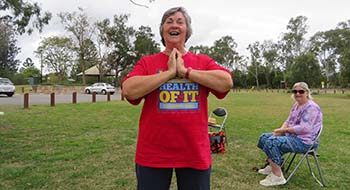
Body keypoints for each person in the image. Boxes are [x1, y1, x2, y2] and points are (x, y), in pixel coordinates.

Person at [122, 7, 233, 190]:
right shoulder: (147, 62)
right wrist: (169, 73)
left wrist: (185, 72)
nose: (174, 25)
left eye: (180, 22)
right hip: (153, 153)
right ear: (162, 30)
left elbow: (225, 82)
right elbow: (129, 90)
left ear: (187, 30)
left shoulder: (202, 62)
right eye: (169, 21)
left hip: (194, 153)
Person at [257, 82, 323, 186]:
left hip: (305, 142)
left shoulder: (311, 108)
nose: (298, 93)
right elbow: (288, 120)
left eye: (301, 91)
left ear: (307, 92)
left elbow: (304, 128)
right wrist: (281, 130)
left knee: (271, 142)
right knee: (264, 138)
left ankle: (277, 176)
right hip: (292, 136)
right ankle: (273, 165)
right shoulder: (296, 105)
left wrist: (284, 131)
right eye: (295, 91)